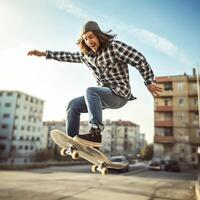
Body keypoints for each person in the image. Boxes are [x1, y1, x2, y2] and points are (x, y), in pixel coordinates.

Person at [28, 21, 162, 147]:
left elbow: (139, 59)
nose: (89, 41)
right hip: (101, 97)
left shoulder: (114, 47)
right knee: (72, 105)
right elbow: (66, 56)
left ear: (98, 35)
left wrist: (149, 81)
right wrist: (44, 54)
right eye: (85, 39)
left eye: (91, 37)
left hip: (119, 95)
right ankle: (74, 142)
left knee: (90, 90)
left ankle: (95, 132)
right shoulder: (86, 56)